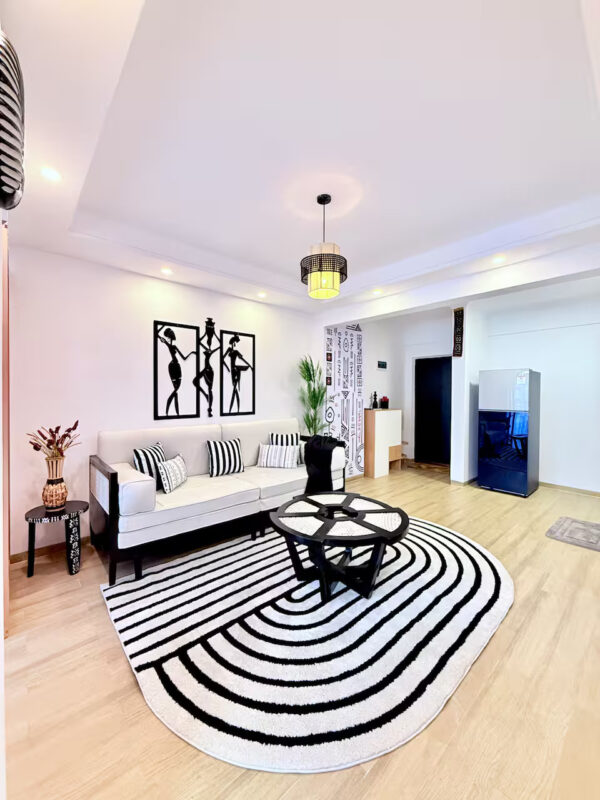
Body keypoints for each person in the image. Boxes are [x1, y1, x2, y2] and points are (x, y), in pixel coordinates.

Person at [156, 325, 195, 416]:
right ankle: (168, 404)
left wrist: (192, 353)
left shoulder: (174, 346)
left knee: (176, 390)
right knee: (176, 389)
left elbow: (184, 358)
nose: (170, 337)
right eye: (169, 335)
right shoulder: (168, 345)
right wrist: (162, 326)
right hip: (172, 366)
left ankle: (177, 412)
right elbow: (158, 335)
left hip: (177, 366)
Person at [222, 333, 252, 413]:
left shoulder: (236, 351)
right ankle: (235, 409)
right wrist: (227, 367)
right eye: (235, 342)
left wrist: (250, 365)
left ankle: (233, 409)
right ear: (233, 342)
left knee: (235, 389)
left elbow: (242, 359)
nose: (234, 344)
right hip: (233, 369)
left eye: (235, 342)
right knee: (234, 389)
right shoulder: (229, 349)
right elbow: (222, 359)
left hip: (235, 369)